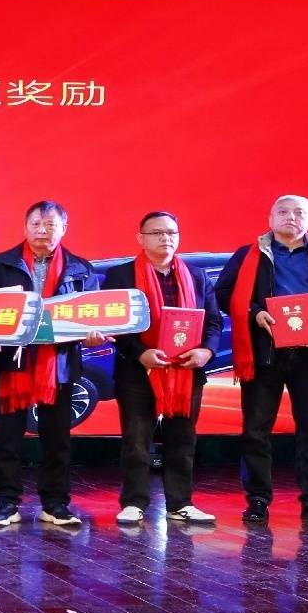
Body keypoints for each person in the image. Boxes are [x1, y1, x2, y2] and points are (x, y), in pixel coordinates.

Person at [214, 194, 308, 525]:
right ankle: (257, 499)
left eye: (299, 213)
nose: (291, 217)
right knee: (256, 430)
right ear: (270, 218)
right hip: (264, 353)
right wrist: (255, 313)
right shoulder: (248, 255)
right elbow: (224, 293)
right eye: (283, 211)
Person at [0, 200, 102, 529]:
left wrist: (92, 335)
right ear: (25, 227)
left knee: (57, 437)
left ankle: (55, 504)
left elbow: (92, 313)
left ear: (64, 229)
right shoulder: (1, 264)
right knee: (7, 435)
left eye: (51, 225)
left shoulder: (81, 269)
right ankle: (5, 503)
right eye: (36, 224)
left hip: (58, 363)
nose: (42, 231)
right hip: (12, 360)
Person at [101, 212, 224, 526]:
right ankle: (134, 502)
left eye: (171, 232)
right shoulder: (121, 276)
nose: (165, 238)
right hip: (137, 370)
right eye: (156, 233)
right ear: (140, 238)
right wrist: (140, 353)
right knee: (136, 440)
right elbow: (116, 325)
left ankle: (180, 503)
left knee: (182, 440)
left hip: (185, 371)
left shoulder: (196, 276)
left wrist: (207, 351)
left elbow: (212, 321)